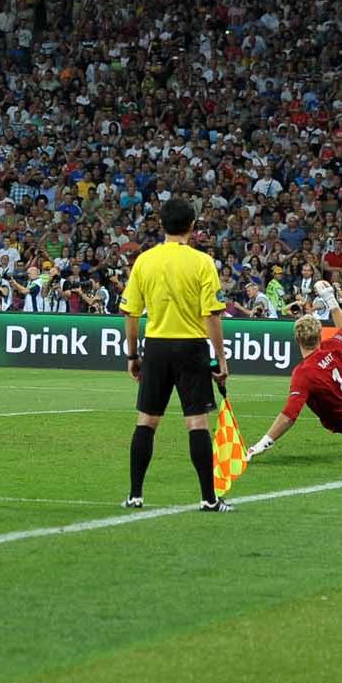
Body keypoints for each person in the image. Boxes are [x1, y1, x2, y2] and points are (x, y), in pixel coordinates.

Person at [119, 198, 233, 512]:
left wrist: (132, 355)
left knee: (147, 420)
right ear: (192, 226)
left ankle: (135, 495)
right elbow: (212, 316)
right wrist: (220, 360)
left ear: (162, 224)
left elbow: (130, 313)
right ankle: (209, 499)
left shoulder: (144, 261)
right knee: (197, 423)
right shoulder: (202, 263)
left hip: (155, 346)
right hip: (191, 347)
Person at [247, 286, 342, 459]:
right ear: (320, 335)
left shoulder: (302, 373)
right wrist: (330, 298)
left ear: (297, 339)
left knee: (341, 398)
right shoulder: (332, 346)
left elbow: (289, 415)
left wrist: (262, 443)